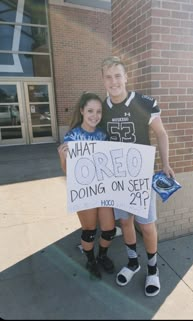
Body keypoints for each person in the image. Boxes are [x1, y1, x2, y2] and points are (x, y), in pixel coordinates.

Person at [100, 56, 175, 296]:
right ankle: (133, 262)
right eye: (109, 77)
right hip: (118, 179)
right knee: (125, 222)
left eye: (118, 75)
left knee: (147, 224)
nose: (114, 81)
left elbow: (161, 134)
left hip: (142, 177)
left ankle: (153, 269)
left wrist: (166, 164)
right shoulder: (101, 108)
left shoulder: (144, 103)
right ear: (103, 80)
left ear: (126, 77)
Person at [57, 92, 116, 280]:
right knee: (90, 231)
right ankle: (90, 260)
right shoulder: (72, 136)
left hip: (102, 188)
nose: (95, 115)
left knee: (109, 229)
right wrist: (62, 156)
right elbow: (68, 172)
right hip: (85, 192)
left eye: (98, 111)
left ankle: (102, 256)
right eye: (90, 110)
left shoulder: (103, 135)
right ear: (82, 111)